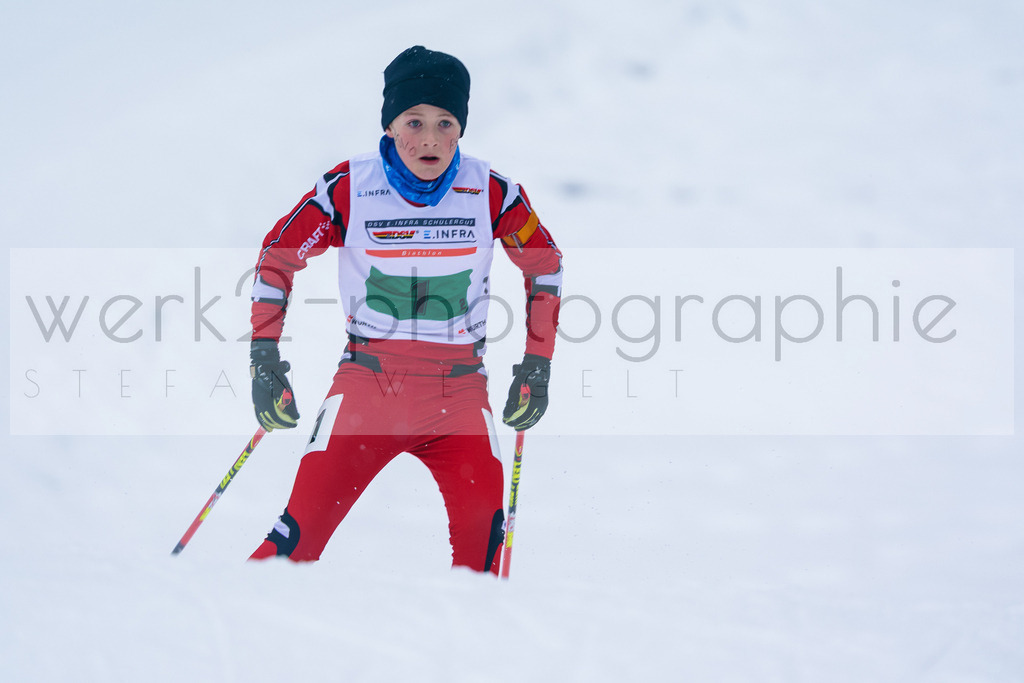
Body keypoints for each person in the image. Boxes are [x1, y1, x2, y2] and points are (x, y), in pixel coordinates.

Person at [246, 46, 563, 574]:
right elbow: (277, 257)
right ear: (390, 126)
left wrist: (537, 364)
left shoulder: (491, 193)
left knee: (486, 566)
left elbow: (545, 266)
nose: (431, 139)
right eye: (414, 121)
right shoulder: (349, 187)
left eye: (446, 123)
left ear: (461, 129)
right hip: (369, 386)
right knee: (288, 553)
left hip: (459, 395)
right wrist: (264, 356)